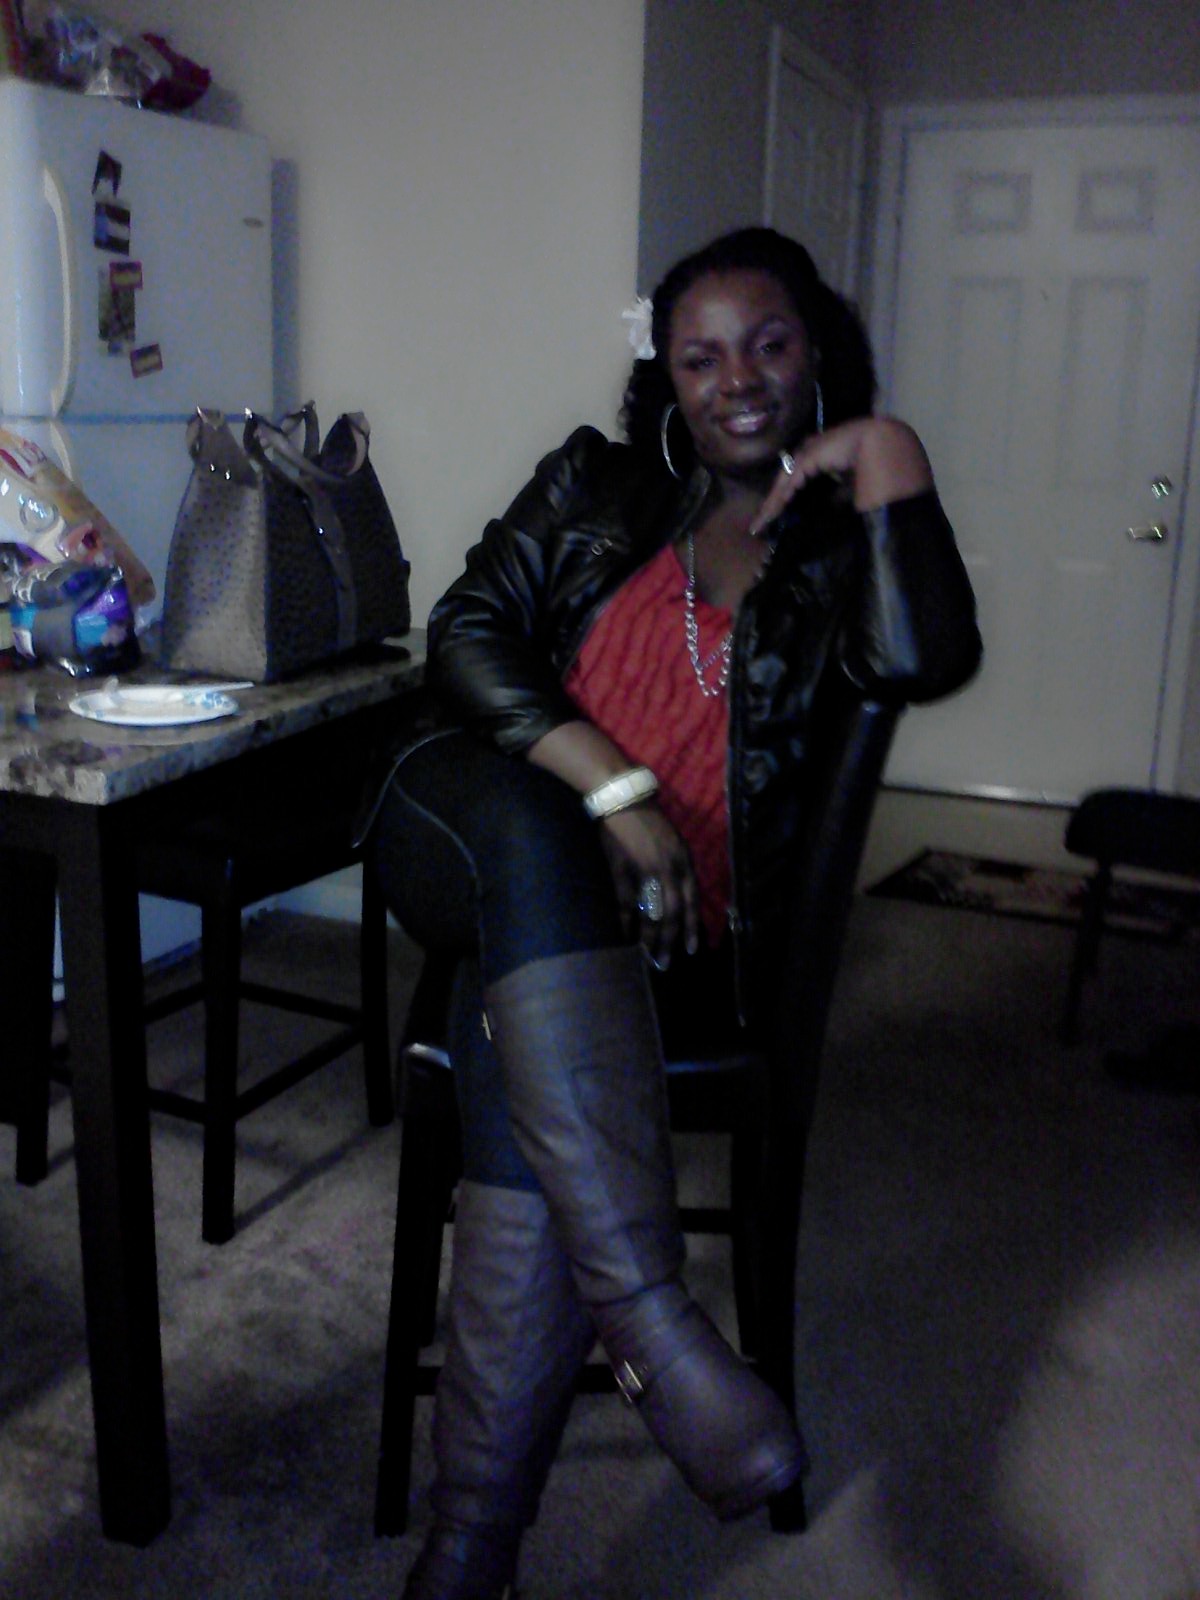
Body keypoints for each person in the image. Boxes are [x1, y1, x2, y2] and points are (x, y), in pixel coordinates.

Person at [367, 226, 982, 1599]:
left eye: (768, 345)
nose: (736, 381)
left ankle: (469, 1552)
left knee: (525, 1035)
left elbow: (926, 655)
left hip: (641, 942)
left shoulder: (837, 549)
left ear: (815, 353)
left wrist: (888, 449)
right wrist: (613, 790)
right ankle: (649, 1318)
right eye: (700, 357)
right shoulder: (595, 481)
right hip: (465, 820)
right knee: (536, 837)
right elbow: (465, 635)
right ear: (668, 375)